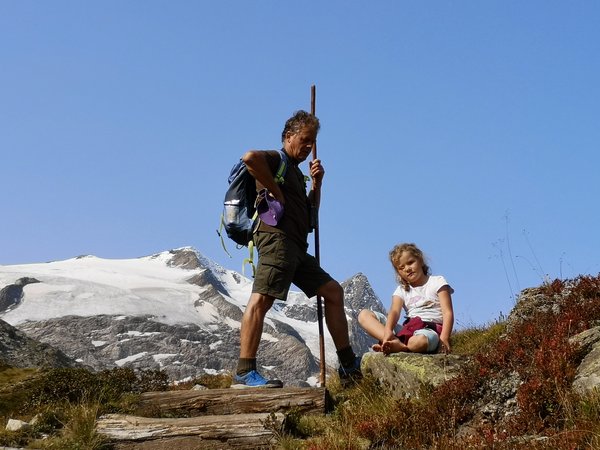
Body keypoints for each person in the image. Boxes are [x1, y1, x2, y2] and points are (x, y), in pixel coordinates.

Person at [232, 110, 361, 388]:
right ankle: (244, 371)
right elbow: (249, 158)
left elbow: (310, 212)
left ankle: (348, 365)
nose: (307, 148)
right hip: (277, 240)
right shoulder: (277, 159)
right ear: (288, 136)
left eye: (311, 143)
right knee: (262, 299)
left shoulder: (295, 173)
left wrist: (316, 184)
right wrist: (275, 191)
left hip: (297, 246)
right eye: (304, 140)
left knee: (333, 291)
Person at [358, 243, 454, 354]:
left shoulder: (437, 281)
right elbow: (394, 311)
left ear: (420, 260)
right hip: (408, 330)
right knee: (364, 315)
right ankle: (393, 341)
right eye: (401, 268)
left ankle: (401, 346)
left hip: (429, 331)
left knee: (417, 342)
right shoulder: (401, 290)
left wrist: (444, 338)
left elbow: (447, 313)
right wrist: (388, 330)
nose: (407, 269)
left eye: (410, 263)